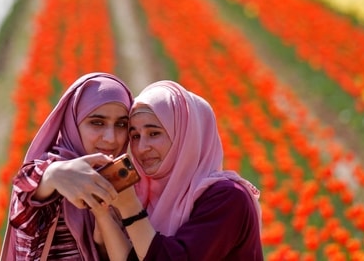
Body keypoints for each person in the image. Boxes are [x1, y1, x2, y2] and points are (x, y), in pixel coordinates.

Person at [92, 80, 263, 261]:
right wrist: (101, 213)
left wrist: (130, 208)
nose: (141, 148)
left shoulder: (229, 198)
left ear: (187, 137)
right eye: (135, 136)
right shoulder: (146, 197)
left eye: (154, 133)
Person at [0, 72, 134, 261]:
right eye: (97, 122)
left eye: (121, 124)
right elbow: (24, 196)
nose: (111, 138)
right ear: (73, 122)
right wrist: (54, 174)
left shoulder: (126, 182)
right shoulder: (50, 173)